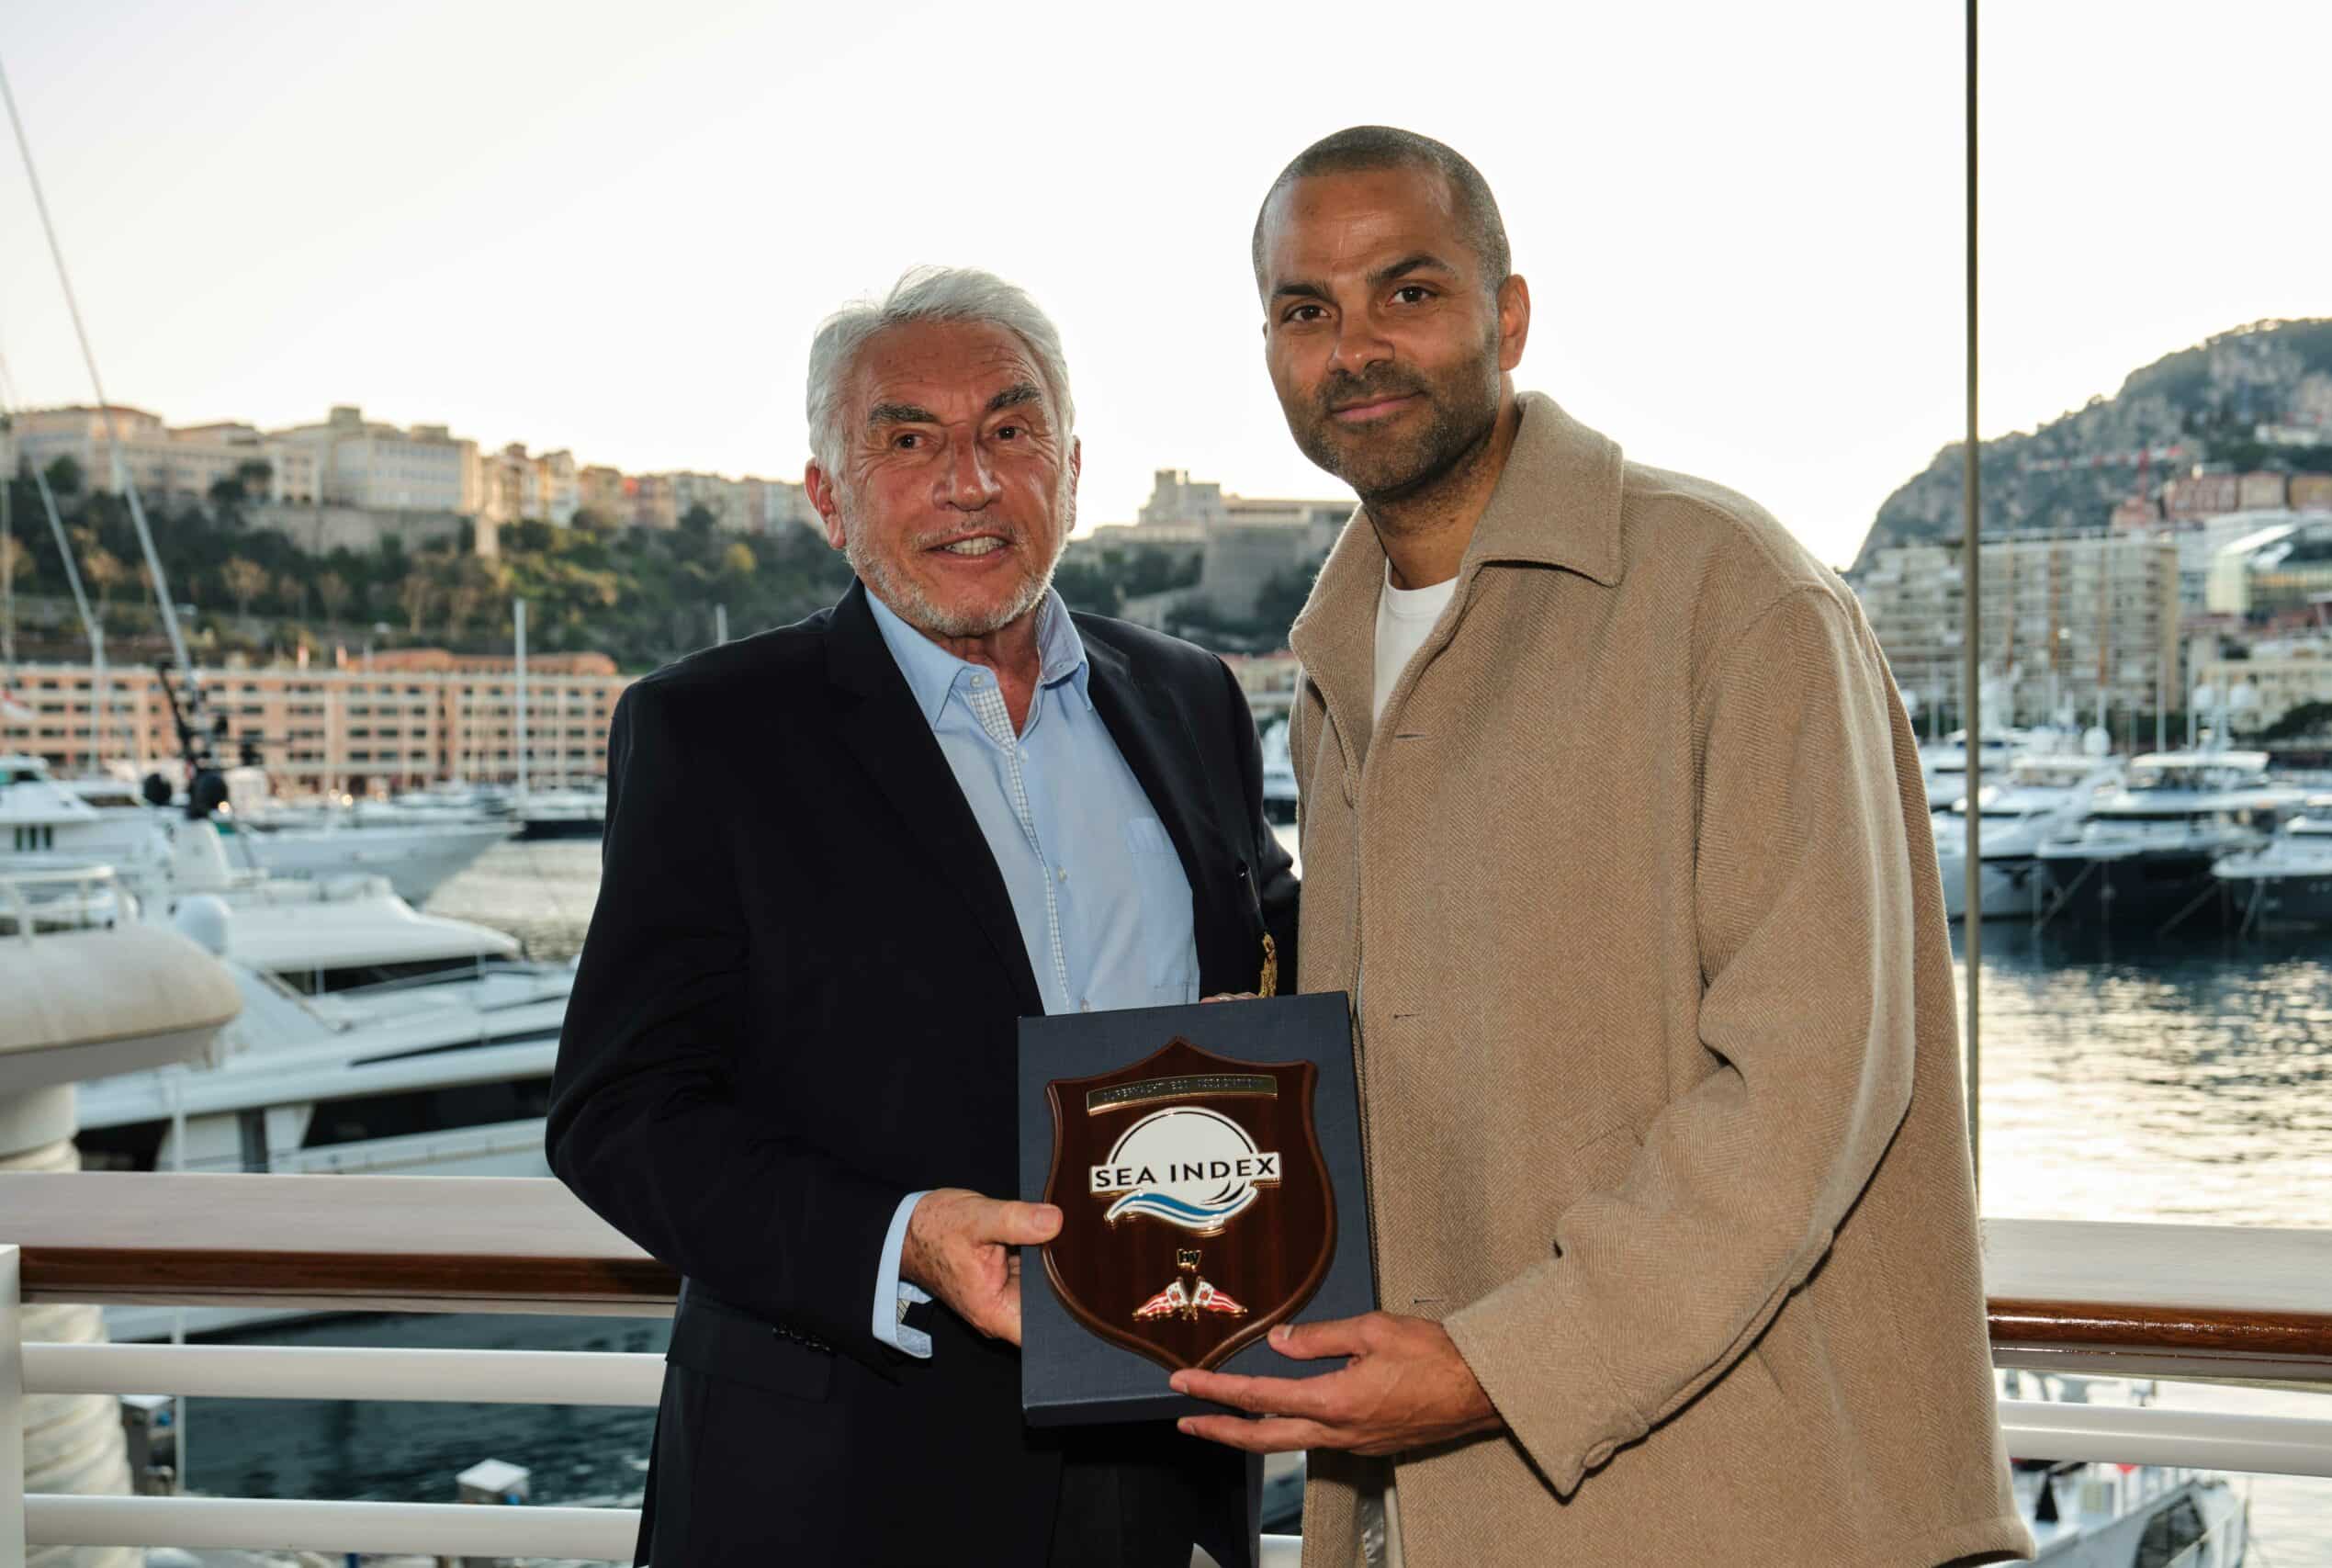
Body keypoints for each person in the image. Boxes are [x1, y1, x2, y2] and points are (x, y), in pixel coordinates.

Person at [1170, 127, 2033, 1568]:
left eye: (1410, 291)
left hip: (1739, 1512)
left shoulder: (1733, 597)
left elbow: (1808, 1087)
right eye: (1305, 310)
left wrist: (1496, 1368)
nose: (1357, 347)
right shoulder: (1332, 680)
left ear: (1508, 315)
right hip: (1424, 1513)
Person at [548, 265, 1297, 1566]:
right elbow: (617, 1113)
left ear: (1070, 467)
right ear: (829, 499)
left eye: (1009, 432)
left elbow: (1285, 945)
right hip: (840, 1487)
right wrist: (895, 1240)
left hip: (1159, 1465)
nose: (969, 479)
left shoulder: (1192, 699)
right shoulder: (712, 732)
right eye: (909, 441)